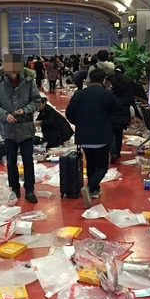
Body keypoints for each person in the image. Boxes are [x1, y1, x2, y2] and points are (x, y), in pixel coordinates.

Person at [66, 68, 122, 208]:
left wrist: (78, 123)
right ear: (103, 80)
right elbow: (118, 107)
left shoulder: (79, 94)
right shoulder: (107, 94)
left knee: (90, 163)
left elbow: (69, 113)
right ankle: (90, 187)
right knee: (103, 166)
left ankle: (94, 190)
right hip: (102, 136)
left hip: (84, 136)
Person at [0, 62, 41, 203]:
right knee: (11, 162)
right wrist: (5, 115)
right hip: (9, 129)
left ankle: (29, 189)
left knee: (28, 161)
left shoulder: (29, 82)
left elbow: (36, 101)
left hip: (26, 128)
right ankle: (15, 189)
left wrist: (26, 109)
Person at [107, 65, 136, 163]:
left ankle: (113, 152)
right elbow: (132, 99)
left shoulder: (109, 80)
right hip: (124, 110)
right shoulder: (128, 81)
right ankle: (117, 152)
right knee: (119, 133)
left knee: (110, 132)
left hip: (111, 109)